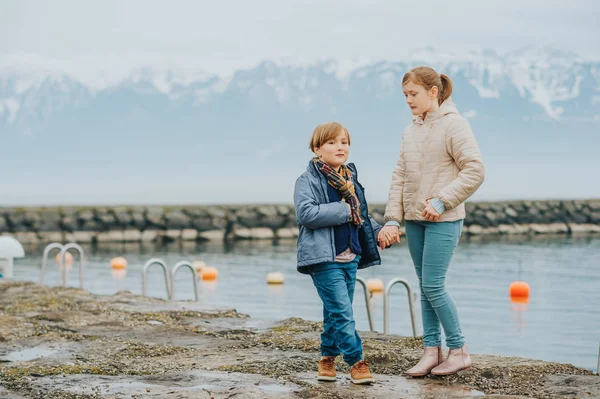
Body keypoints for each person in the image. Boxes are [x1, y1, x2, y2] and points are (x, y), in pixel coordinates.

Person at [378, 66, 485, 376]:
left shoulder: (455, 126)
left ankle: (459, 350)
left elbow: (475, 169)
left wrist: (442, 200)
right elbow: (400, 176)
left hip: (444, 218)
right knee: (424, 288)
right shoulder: (410, 130)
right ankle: (431, 352)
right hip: (413, 219)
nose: (409, 100)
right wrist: (391, 220)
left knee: (434, 286)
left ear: (433, 92)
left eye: (413, 94)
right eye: (405, 95)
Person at [294, 121, 396, 384]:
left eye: (344, 142)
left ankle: (327, 359)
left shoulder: (350, 178)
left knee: (335, 311)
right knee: (342, 312)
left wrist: (377, 232)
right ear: (317, 149)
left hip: (351, 256)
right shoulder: (307, 180)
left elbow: (361, 215)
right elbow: (306, 214)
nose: (340, 147)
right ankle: (356, 361)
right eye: (332, 142)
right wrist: (342, 210)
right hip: (323, 259)